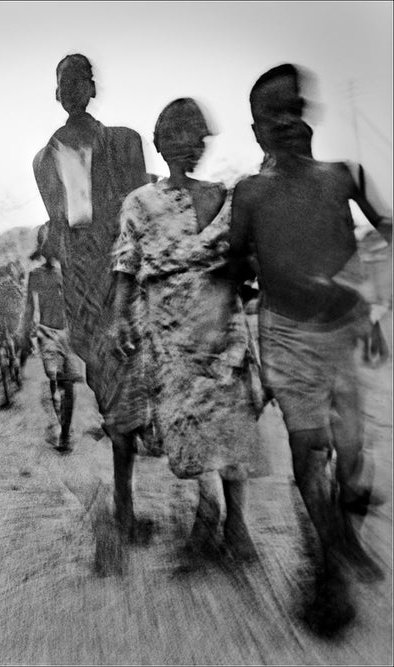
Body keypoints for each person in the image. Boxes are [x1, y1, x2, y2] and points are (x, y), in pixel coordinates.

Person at [228, 64, 392, 636]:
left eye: (296, 107)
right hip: (286, 336)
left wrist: (370, 298)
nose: (290, 121)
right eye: (274, 114)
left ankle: (344, 526)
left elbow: (389, 231)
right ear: (256, 132)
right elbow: (233, 261)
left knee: (351, 453)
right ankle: (327, 571)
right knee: (308, 452)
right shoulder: (249, 194)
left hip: (342, 333)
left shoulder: (345, 176)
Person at [111, 98, 269, 562]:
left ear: (203, 143)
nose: (185, 145)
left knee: (233, 421)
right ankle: (207, 510)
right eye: (173, 137)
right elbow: (126, 262)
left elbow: (248, 260)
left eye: (193, 136)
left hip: (223, 325)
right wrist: (120, 316)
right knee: (188, 426)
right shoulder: (140, 202)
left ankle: (237, 523)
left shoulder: (227, 195)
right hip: (168, 329)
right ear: (159, 144)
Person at [32, 54, 152, 539]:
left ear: (93, 88)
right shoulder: (42, 161)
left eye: (81, 79)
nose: (73, 89)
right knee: (109, 392)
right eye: (64, 83)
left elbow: (139, 216)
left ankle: (127, 504)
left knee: (139, 393)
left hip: (128, 281)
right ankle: (124, 506)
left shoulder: (125, 143)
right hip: (82, 291)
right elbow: (60, 232)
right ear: (57, 94)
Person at [24, 224, 79, 452]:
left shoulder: (65, 274)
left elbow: (76, 304)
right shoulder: (34, 275)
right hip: (46, 333)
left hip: (66, 334)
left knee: (68, 383)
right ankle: (59, 423)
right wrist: (25, 332)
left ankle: (65, 432)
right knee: (56, 378)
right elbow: (29, 307)